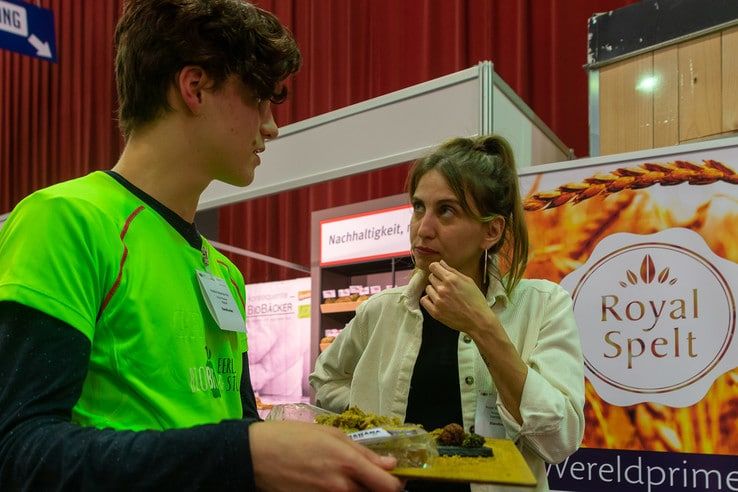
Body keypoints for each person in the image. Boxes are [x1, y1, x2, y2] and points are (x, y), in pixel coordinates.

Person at [0, 1, 402, 491]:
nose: (272, 125)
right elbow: (19, 452)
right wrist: (240, 455)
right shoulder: (66, 221)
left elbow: (236, 419)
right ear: (195, 88)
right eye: (259, 99)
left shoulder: (224, 272)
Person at [310, 135, 585, 491]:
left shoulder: (544, 305)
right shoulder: (381, 311)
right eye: (418, 207)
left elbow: (559, 441)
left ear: (491, 230)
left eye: (447, 211)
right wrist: (372, 415)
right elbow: (325, 379)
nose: (423, 228)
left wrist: (484, 327)